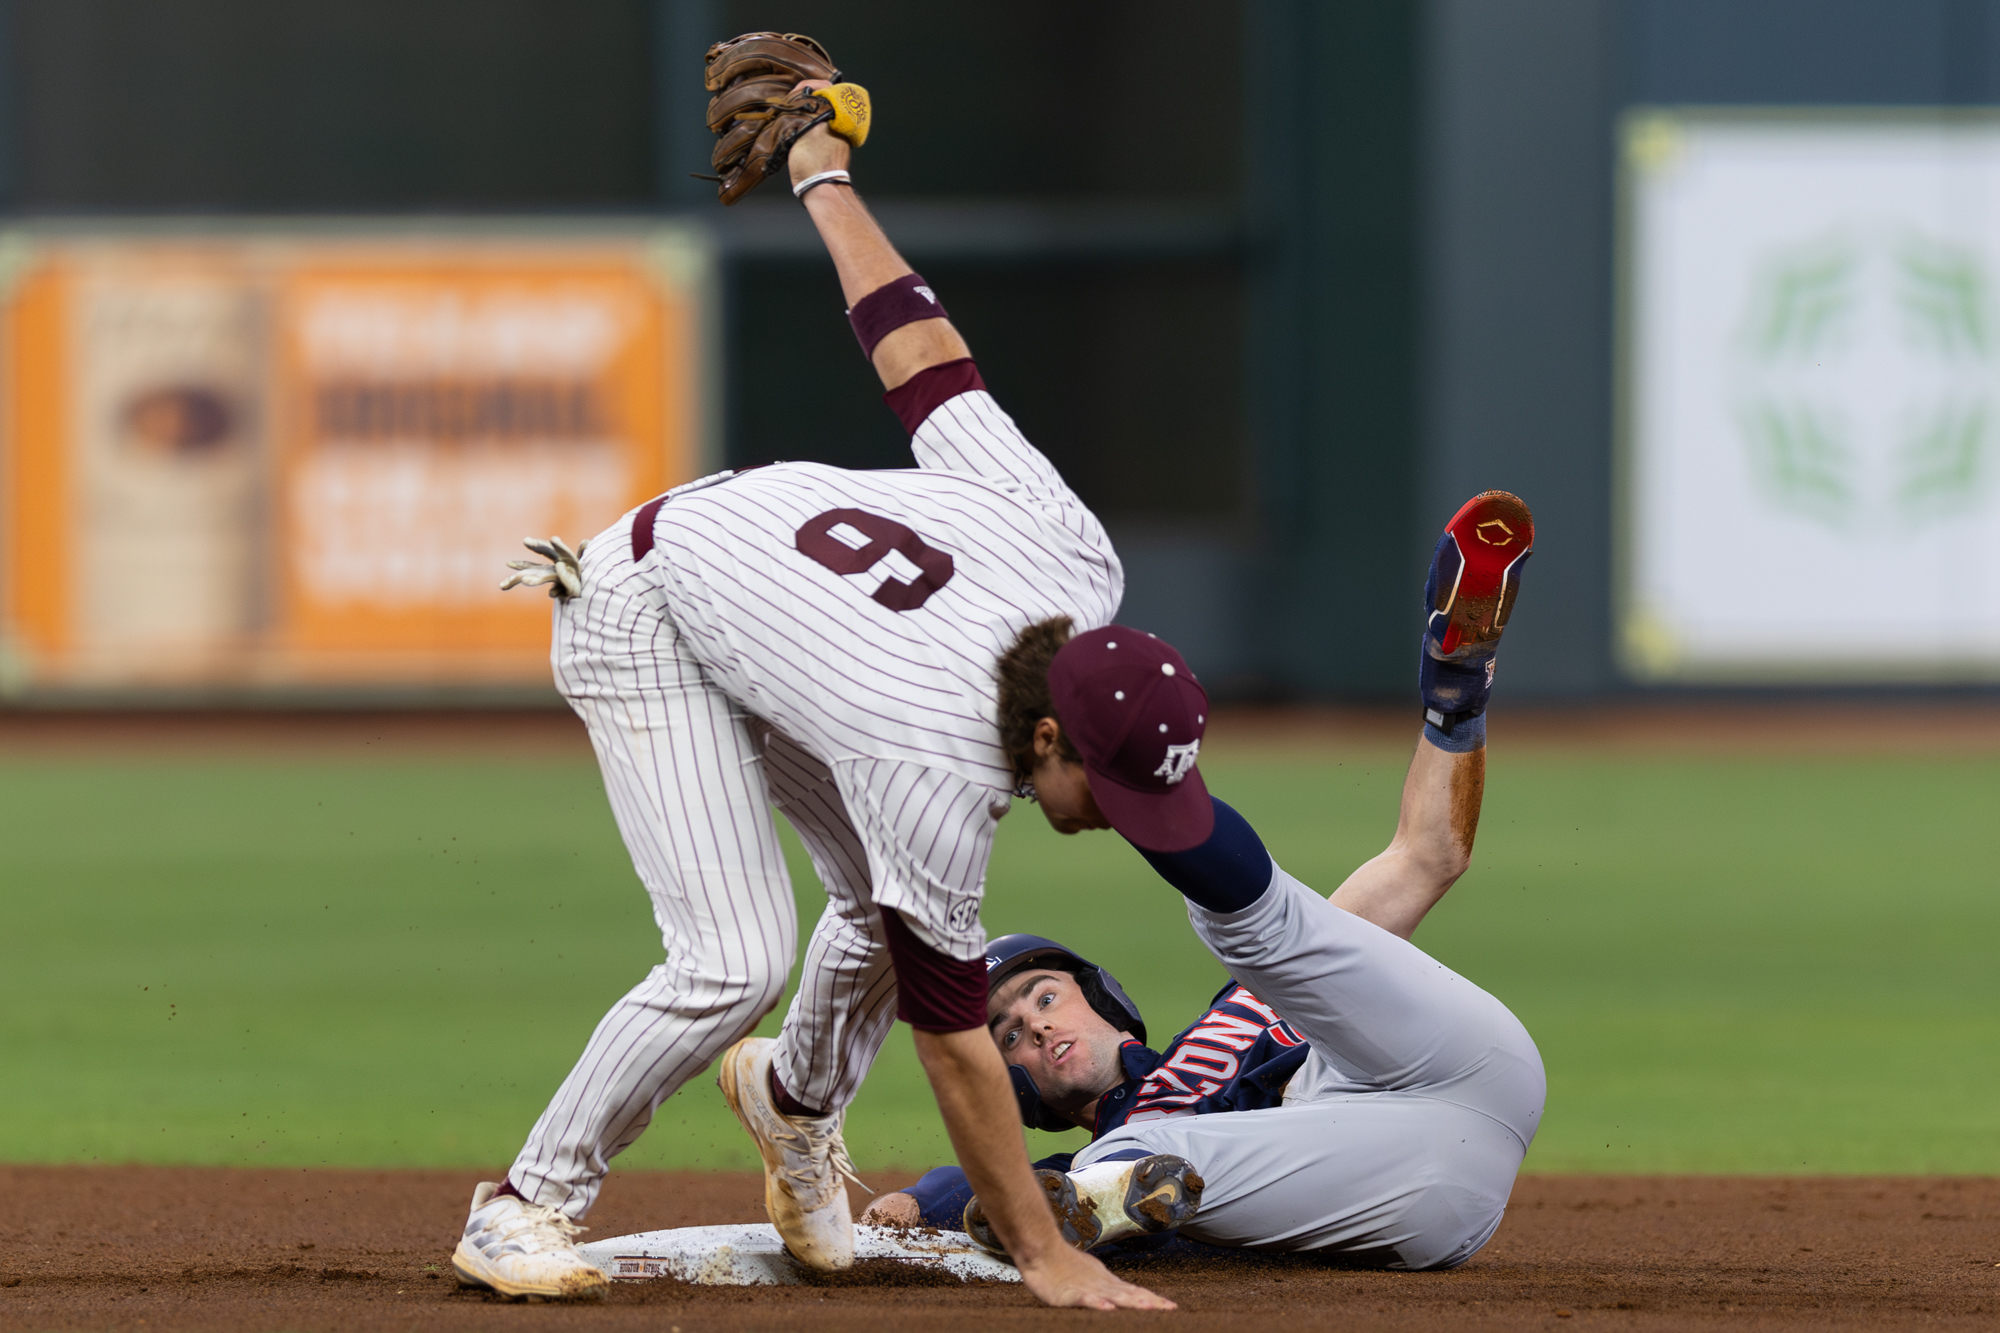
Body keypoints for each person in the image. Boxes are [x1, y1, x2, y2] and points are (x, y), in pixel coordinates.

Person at [449, 90, 1193, 1311]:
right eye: (1101, 787)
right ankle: (525, 1200)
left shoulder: (1075, 560)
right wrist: (1046, 1255)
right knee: (733, 958)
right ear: (1048, 737)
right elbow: (956, 1048)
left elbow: (922, 359)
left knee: (870, 906)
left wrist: (820, 175)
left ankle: (792, 1109)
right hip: (646, 607)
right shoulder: (937, 756)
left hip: (787, 614)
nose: (1115, 814)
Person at [862, 493, 1547, 1272]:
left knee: (1265, 937)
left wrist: (1455, 709)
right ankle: (1111, 1206)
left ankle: (1451, 673)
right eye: (1010, 1034)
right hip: (1400, 1187)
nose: (1038, 1028)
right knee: (1130, 1157)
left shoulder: (1254, 996)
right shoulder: (1106, 1147)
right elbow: (977, 1186)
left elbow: (1430, 856)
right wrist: (921, 1198)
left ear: (1101, 996)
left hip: (1478, 1068)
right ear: (1012, 1090)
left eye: (1044, 996)